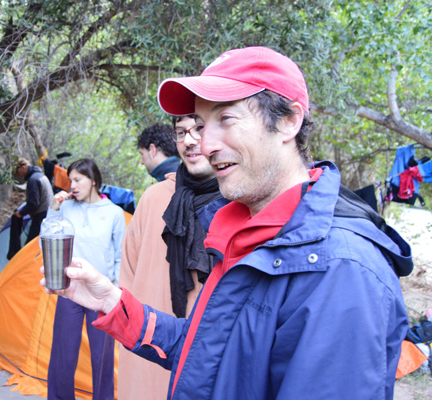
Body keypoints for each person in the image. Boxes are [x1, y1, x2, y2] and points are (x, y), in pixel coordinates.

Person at [41, 47, 413, 399]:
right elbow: (210, 352)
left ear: (288, 121)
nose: (204, 144)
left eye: (226, 118)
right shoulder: (244, 233)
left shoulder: (341, 271)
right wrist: (112, 302)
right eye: (202, 125)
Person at [118, 115, 221, 400]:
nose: (189, 140)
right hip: (147, 352)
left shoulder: (240, 202)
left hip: (208, 364)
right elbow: (128, 275)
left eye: (199, 129)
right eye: (180, 132)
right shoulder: (153, 199)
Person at [46, 158, 126, 400]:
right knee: (63, 352)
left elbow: (121, 254)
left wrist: (117, 291)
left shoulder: (114, 213)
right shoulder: (67, 208)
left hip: (101, 292)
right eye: (70, 180)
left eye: (78, 180)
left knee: (102, 355)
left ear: (93, 180)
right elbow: (47, 235)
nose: (73, 185)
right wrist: (53, 207)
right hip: (69, 288)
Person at [7, 158, 54, 260]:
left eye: (18, 171)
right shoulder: (40, 176)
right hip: (47, 214)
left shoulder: (33, 180)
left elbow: (33, 203)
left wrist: (21, 213)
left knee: (30, 248)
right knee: (35, 246)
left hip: (41, 216)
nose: (18, 174)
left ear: (23, 167)